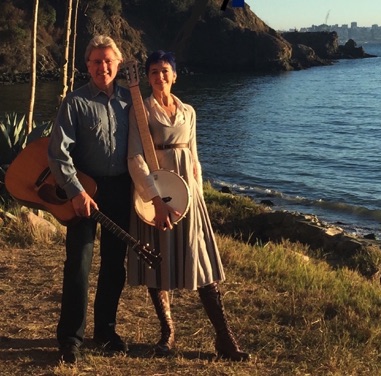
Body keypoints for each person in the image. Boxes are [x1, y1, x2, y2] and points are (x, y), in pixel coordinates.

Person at [127, 50, 250, 361]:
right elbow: (135, 158)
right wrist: (154, 199)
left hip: (189, 195)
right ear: (147, 76)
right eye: (153, 71)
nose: (159, 76)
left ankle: (224, 338)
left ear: (175, 75)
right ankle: (167, 333)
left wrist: (198, 196)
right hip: (157, 196)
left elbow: (194, 157)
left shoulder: (189, 111)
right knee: (158, 261)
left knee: (202, 263)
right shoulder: (140, 111)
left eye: (165, 70)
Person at [48, 35, 132, 363]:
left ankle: (106, 332)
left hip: (121, 191)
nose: (103, 67)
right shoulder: (75, 102)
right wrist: (75, 191)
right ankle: (71, 337)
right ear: (88, 65)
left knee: (114, 265)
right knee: (79, 265)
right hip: (85, 192)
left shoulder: (131, 101)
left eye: (108, 61)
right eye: (96, 61)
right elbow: (58, 152)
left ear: (118, 64)